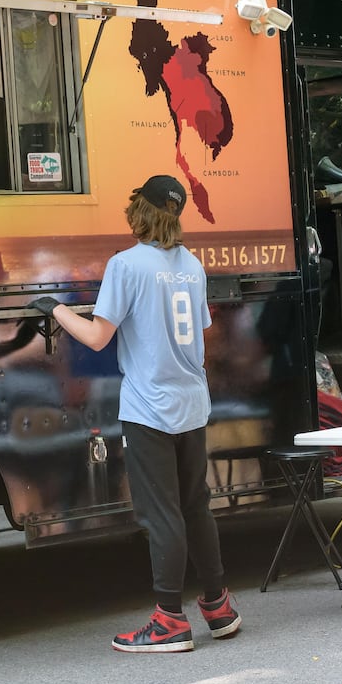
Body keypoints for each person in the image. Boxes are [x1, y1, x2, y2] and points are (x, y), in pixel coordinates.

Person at [31, 175, 240, 653]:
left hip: (150, 407)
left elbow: (98, 337)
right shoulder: (192, 266)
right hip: (191, 402)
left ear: (140, 211)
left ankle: (169, 621)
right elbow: (198, 332)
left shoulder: (126, 265)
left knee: (161, 513)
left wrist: (57, 311)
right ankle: (218, 606)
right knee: (195, 505)